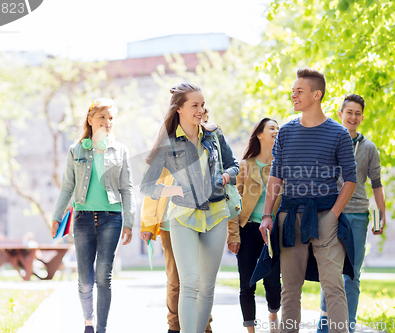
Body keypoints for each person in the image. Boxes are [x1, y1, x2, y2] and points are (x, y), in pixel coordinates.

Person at [254, 68, 357, 333]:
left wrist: (332, 216)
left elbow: (350, 179)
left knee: (333, 285)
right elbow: (276, 176)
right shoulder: (286, 132)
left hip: (325, 214)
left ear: (317, 94)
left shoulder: (339, 134)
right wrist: (267, 215)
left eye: (299, 91)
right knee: (290, 287)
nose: (293, 95)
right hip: (290, 217)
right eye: (293, 91)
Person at [140, 84, 239, 333]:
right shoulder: (169, 143)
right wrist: (177, 190)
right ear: (179, 109)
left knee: (207, 285)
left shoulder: (214, 135)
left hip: (216, 214)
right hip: (183, 216)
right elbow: (148, 185)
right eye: (194, 105)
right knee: (190, 282)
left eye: (202, 105)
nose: (200, 110)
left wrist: (225, 178)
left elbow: (234, 165)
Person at [51, 98, 135, 333]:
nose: (108, 122)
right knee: (85, 281)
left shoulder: (120, 151)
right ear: (90, 119)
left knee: (103, 277)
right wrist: (57, 216)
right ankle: (88, 321)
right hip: (83, 219)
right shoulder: (76, 150)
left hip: (112, 217)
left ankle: (101, 329)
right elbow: (67, 187)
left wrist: (129, 221)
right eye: (102, 117)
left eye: (111, 118)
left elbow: (127, 188)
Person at [140, 109, 214, 333]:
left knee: (200, 280)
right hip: (170, 223)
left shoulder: (208, 143)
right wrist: (147, 224)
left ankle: (204, 326)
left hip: (201, 220)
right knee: (176, 280)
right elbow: (152, 189)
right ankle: (174, 327)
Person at [317, 94, 386, 333]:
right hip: (329, 214)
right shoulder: (328, 141)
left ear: (362, 117)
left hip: (357, 214)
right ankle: (324, 328)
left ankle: (348, 326)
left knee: (352, 275)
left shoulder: (369, 148)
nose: (353, 117)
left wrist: (380, 217)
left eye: (357, 113)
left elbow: (377, 184)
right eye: (349, 112)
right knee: (329, 273)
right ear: (340, 114)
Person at [227, 118, 282, 333]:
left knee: (273, 284)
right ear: (259, 134)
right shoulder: (245, 166)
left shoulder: (280, 166)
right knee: (247, 284)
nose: (276, 131)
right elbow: (233, 203)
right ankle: (250, 330)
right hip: (247, 230)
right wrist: (233, 235)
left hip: (272, 232)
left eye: (278, 128)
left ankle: (273, 313)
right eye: (272, 128)